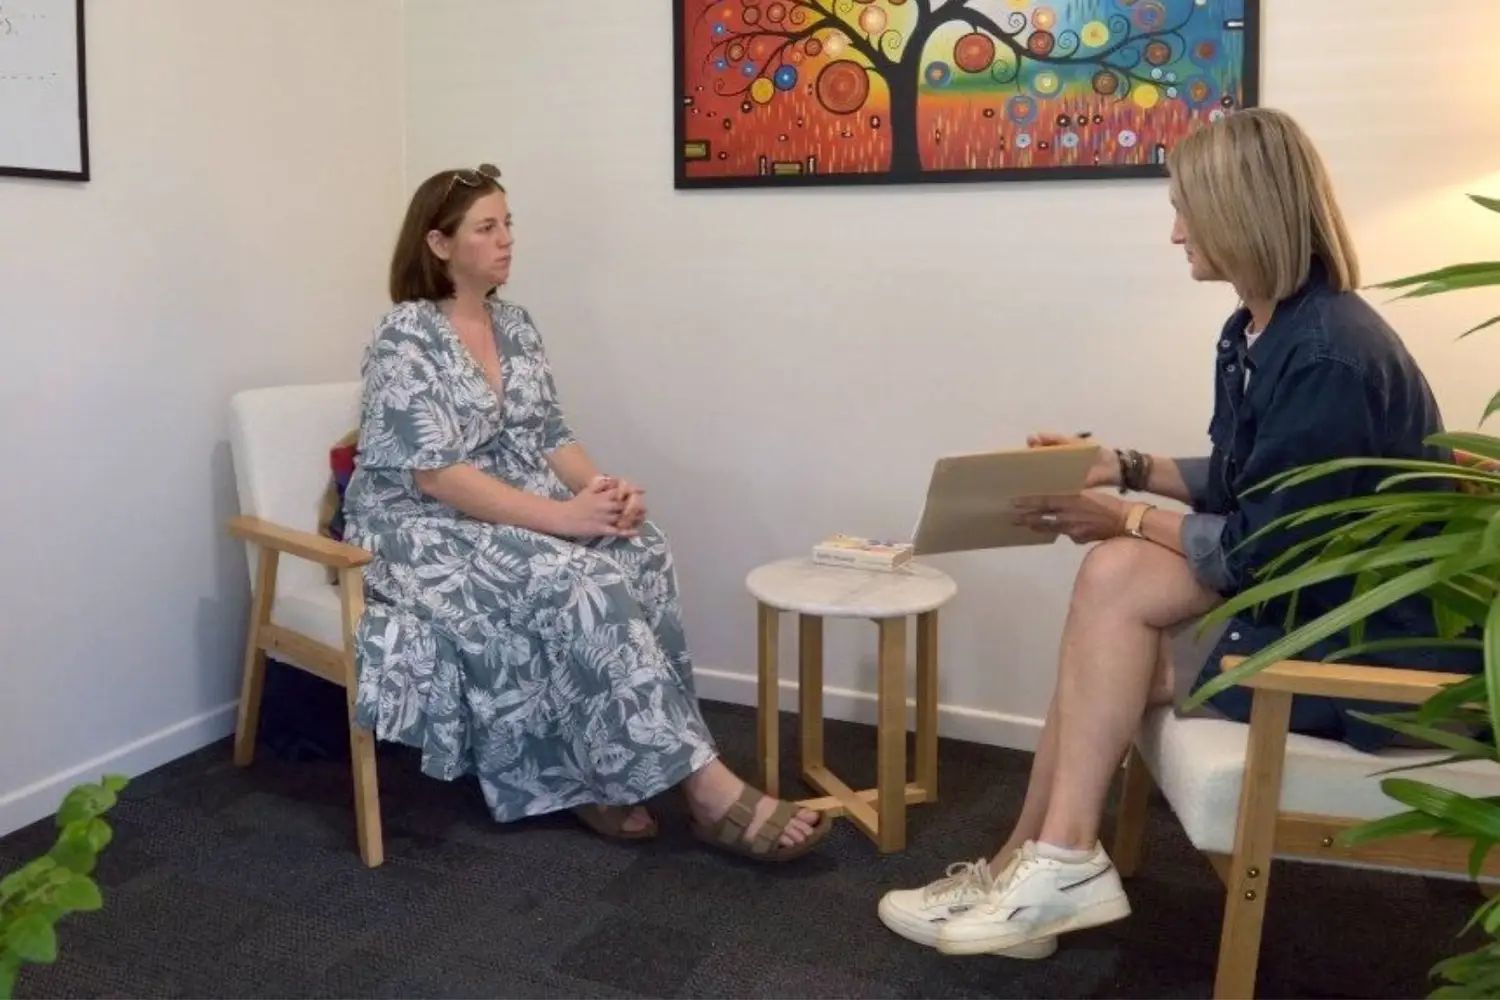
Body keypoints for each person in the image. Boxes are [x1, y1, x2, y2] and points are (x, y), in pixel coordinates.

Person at [877, 108, 1481, 957]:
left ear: (1240, 213)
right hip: (1303, 600)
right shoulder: (1260, 330)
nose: (1174, 234)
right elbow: (1242, 480)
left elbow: (1256, 551)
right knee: (1115, 582)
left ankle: (1051, 863)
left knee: (1108, 621)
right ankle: (1036, 865)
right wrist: (1117, 465)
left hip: (1361, 650)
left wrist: (1121, 514)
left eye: (1184, 211)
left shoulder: (1329, 357)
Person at [341, 163, 831, 861]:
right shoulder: (405, 334)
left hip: (505, 509)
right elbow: (437, 474)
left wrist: (603, 494)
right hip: (416, 528)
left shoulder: (516, 325)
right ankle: (705, 789)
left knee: (641, 546)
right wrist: (563, 519)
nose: (507, 239)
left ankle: (613, 768)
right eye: (487, 227)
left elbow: (550, 436)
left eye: (509, 223)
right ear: (440, 244)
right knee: (579, 578)